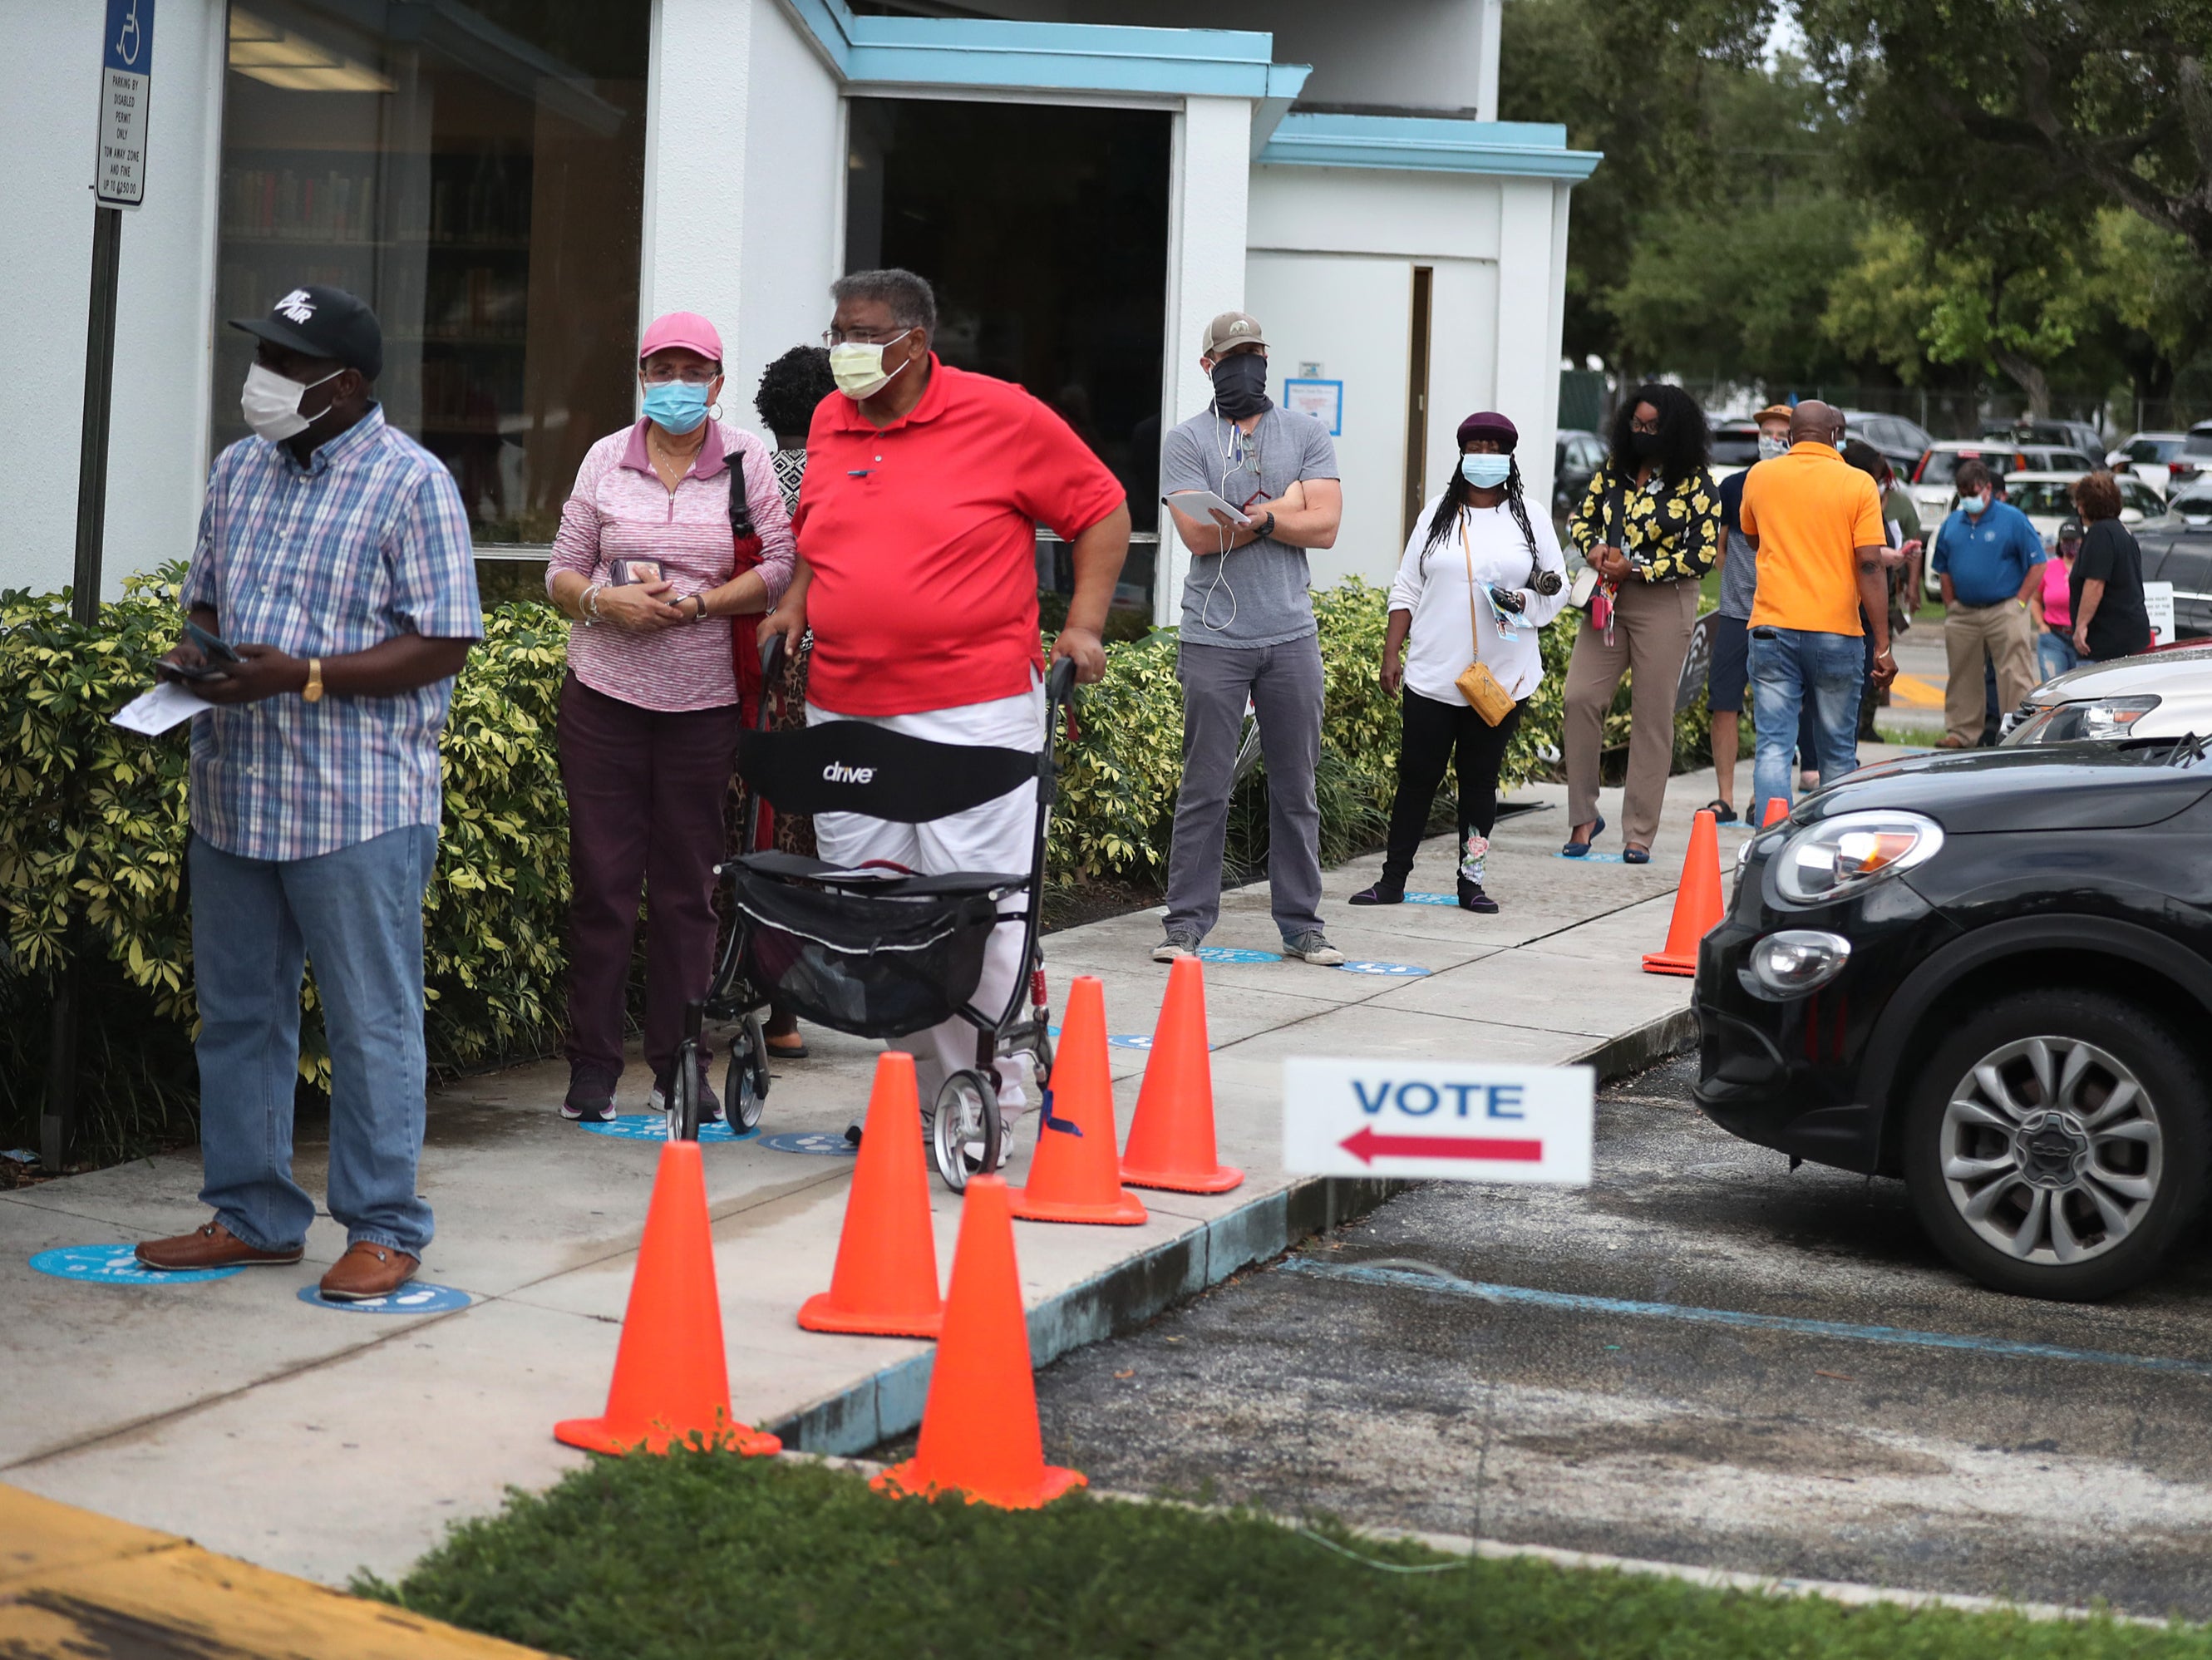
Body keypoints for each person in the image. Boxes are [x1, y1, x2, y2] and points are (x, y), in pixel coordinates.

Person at [135, 285, 481, 1300]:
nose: (265, 381)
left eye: (289, 365)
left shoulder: (412, 483)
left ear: (347, 385)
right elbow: (208, 595)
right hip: (237, 789)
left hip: (357, 802)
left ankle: (383, 1225)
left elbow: (444, 637)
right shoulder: (238, 470)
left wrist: (303, 673)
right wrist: (191, 654)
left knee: (370, 1019)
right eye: (264, 357)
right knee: (240, 1014)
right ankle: (251, 1214)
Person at [759, 268, 1130, 1156]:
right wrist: (797, 602)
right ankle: (927, 1099)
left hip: (972, 712)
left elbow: (1103, 510)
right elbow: (823, 533)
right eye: (837, 331)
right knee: (877, 915)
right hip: (846, 708)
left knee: (980, 907)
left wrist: (1081, 626)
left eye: (862, 334)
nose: (843, 350)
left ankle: (997, 1096)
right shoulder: (829, 419)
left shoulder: (1002, 415)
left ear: (916, 342)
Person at [544, 312, 796, 1125]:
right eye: (663, 369)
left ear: (717, 383)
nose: (677, 385)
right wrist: (600, 598)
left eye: (693, 370)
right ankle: (591, 1069)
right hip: (602, 700)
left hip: (700, 705)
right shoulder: (603, 458)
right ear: (643, 377)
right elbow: (559, 572)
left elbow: (783, 567)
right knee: (603, 889)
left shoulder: (745, 459)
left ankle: (678, 1063)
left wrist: (700, 605)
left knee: (688, 890)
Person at [1155, 311, 1346, 962]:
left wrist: (1260, 517)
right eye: (1231, 354)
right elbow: (1196, 534)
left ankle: (1301, 925)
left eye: (1254, 351)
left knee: (1296, 787)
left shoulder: (1306, 431)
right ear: (1208, 365)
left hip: (1290, 634)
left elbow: (1326, 526)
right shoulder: (1185, 440)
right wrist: (1283, 508)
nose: (1245, 363)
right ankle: (1184, 924)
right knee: (1204, 786)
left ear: (1267, 357)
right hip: (1212, 635)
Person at [1353, 412, 1567, 911]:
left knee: (1480, 784)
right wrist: (1392, 652)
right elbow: (1407, 585)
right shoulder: (1436, 515)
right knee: (1416, 778)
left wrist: (1523, 604)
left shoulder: (1530, 517)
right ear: (1461, 453)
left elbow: (1554, 590)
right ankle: (1392, 880)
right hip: (1432, 672)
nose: (1485, 456)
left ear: (1510, 456)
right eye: (1476, 446)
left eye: (1495, 447)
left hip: (1501, 678)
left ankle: (1471, 882)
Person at [1562, 385, 1718, 862]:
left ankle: (1639, 832)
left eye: (1653, 427)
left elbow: (1703, 554)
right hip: (1607, 599)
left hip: (1664, 602)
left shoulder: (1696, 483)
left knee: (1652, 717)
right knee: (1580, 697)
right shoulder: (1613, 471)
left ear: (1673, 430)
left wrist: (1641, 568)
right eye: (1636, 424)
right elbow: (1580, 519)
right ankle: (1584, 815)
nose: (1643, 433)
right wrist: (1591, 546)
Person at [738, 343, 839, 1062]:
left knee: (748, 827)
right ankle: (786, 1007)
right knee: (801, 834)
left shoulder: (747, 476)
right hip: (821, 669)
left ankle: (732, 980)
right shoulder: (838, 479)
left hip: (749, 666)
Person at [1737, 400, 1894, 825]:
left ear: (1790, 436)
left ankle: (1771, 844)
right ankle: (1832, 843)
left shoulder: (1761, 476)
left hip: (1771, 626)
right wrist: (1882, 644)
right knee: (1838, 751)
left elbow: (1754, 538)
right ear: (1835, 436)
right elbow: (1869, 563)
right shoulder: (1857, 484)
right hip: (1836, 631)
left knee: (1773, 746)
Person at [1705, 403, 1795, 823]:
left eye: (1780, 434)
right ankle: (1725, 797)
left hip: (1781, 615)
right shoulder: (1735, 486)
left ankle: (1766, 794)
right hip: (1736, 613)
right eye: (1766, 433)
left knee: (1773, 707)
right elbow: (1721, 548)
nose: (1771, 441)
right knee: (1723, 702)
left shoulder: (1800, 487)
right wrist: (1737, 585)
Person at [1932, 457, 2042, 748]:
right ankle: (1961, 732)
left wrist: (2020, 602)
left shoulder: (2013, 519)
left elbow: (2037, 564)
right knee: (1963, 673)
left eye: (1973, 492)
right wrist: (1950, 604)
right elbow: (1942, 567)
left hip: (2004, 607)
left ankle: (2020, 733)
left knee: (2014, 672)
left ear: (1988, 488)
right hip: (1964, 612)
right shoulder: (1952, 524)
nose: (1969, 498)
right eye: (1963, 493)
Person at [1841, 438, 1923, 740]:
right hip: (1852, 608)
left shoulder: (1874, 502)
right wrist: (1886, 557)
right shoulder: (1850, 502)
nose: (1878, 484)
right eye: (1874, 477)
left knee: (1861, 680)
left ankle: (1857, 732)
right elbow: (1866, 559)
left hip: (1873, 605)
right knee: (1847, 683)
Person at [2071, 470, 2152, 663]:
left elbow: (2095, 583)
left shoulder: (2100, 533)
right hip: (2131, 636)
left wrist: (2081, 626)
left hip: (2106, 643)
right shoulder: (2123, 532)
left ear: (2083, 506)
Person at [2037, 515, 2084, 681]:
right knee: (2053, 689)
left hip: (2082, 636)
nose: (2069, 544)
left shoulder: (2088, 567)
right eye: (2066, 540)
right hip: (2054, 636)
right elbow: (2035, 599)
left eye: (2074, 540)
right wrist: (2041, 625)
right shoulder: (2049, 567)